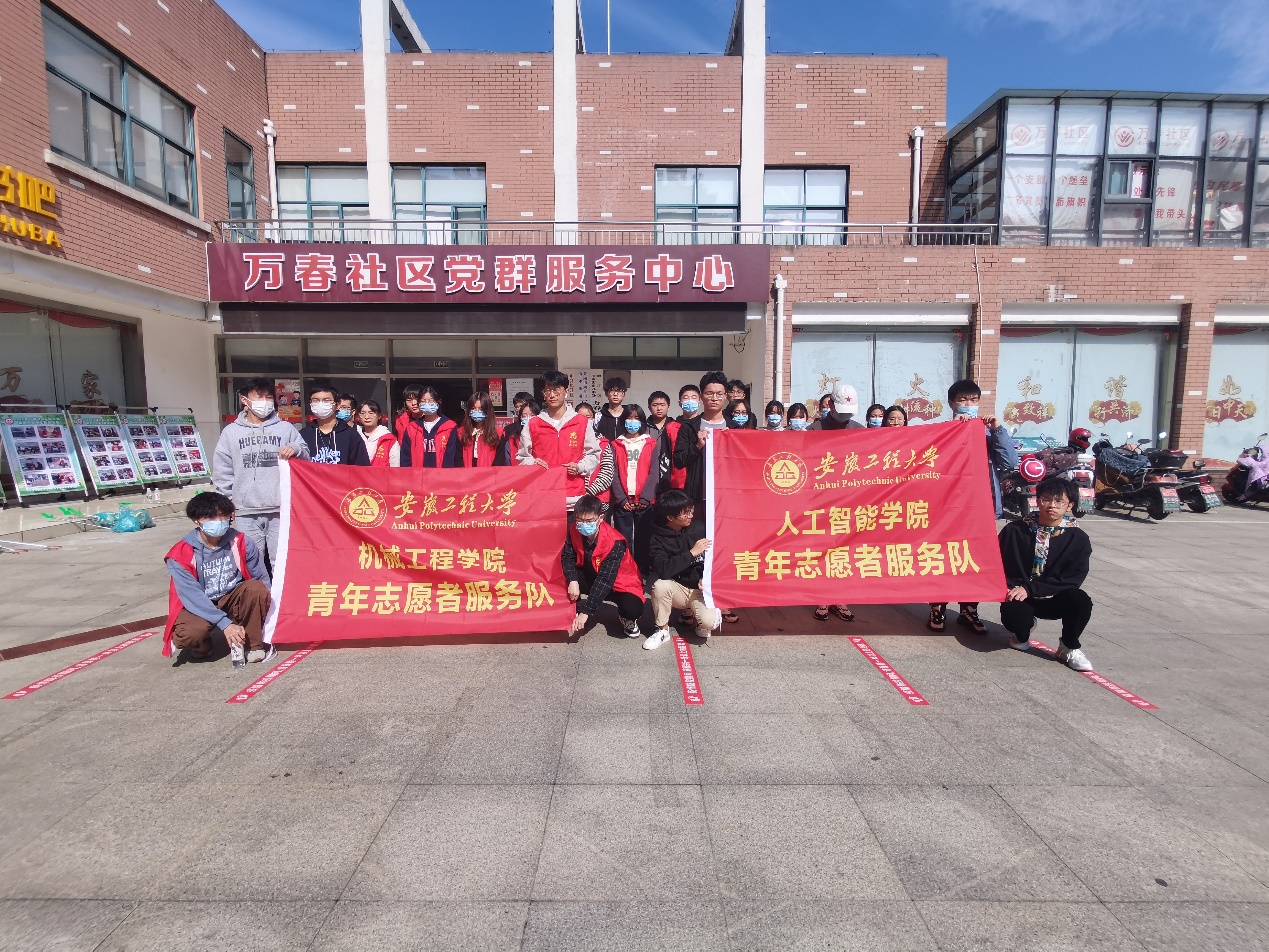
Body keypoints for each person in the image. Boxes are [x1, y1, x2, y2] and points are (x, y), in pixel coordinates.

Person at [929, 378, 1020, 633]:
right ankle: (937, 607)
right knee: (943, 557)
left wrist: (998, 430)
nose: (968, 404)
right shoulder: (943, 430)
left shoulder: (989, 432)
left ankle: (969, 609)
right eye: (963, 400)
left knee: (974, 559)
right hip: (949, 509)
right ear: (951, 404)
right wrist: (952, 431)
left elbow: (1009, 462)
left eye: (973, 400)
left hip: (981, 508)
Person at [163, 491, 273, 666]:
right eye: (210, 517)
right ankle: (202, 646)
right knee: (189, 634)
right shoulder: (180, 554)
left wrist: (268, 608)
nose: (219, 521)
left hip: (232, 598)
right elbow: (192, 596)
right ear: (196, 520)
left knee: (257, 588)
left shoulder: (242, 542)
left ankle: (255, 644)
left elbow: (260, 577)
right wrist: (224, 623)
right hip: (200, 603)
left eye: (223, 516)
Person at [998, 477, 1094, 671]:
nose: (1052, 505)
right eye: (1047, 499)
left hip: (1054, 597)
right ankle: (1022, 633)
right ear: (1037, 500)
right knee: (1014, 616)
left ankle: (1068, 646)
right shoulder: (1015, 530)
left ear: (1070, 505)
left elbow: (1073, 578)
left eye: (1059, 501)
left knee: (1080, 601)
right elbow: (996, 562)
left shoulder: (1078, 538)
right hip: (1021, 596)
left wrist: (1032, 588)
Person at [212, 376, 308, 566]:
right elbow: (222, 470)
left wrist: (295, 448)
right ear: (244, 400)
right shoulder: (231, 432)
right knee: (250, 562)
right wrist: (227, 503)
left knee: (282, 562)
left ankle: (278, 588)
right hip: (245, 511)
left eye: (268, 397)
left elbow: (306, 455)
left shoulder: (285, 428)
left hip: (280, 509)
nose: (264, 401)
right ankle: (257, 588)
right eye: (258, 396)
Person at [672, 371, 740, 623]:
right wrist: (697, 446)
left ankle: (723, 599)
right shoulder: (690, 427)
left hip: (726, 499)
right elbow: (679, 460)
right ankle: (691, 601)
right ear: (701, 397)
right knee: (697, 546)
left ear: (726, 396)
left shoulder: (735, 427)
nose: (714, 398)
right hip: (697, 497)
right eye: (709, 393)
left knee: (724, 547)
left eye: (719, 394)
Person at [643, 489, 724, 649]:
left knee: (710, 623)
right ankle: (662, 630)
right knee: (660, 586)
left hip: (702, 589)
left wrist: (707, 577)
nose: (690, 516)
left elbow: (719, 556)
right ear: (670, 517)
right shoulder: (657, 538)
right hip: (678, 587)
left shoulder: (700, 528)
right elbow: (663, 569)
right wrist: (692, 553)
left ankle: (701, 623)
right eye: (685, 513)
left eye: (690, 510)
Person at [518, 370, 602, 514]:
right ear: (543, 393)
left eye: (556, 389)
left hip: (574, 498)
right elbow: (522, 457)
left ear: (566, 391)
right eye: (547, 390)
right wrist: (533, 463)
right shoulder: (533, 424)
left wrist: (580, 467)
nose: (552, 395)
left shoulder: (581, 422)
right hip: (543, 497)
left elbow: (593, 454)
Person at [562, 495, 646, 638]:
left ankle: (626, 619)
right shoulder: (574, 530)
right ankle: (574, 607)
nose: (583, 525)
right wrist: (573, 580)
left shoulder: (615, 541)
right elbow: (567, 556)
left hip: (620, 582)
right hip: (592, 573)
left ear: (601, 518)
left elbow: (605, 579)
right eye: (580, 520)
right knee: (563, 576)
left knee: (632, 608)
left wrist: (586, 612)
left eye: (589, 521)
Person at [610, 405, 660, 545]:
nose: (632, 422)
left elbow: (654, 472)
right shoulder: (616, 444)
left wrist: (646, 498)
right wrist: (621, 499)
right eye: (629, 418)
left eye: (636, 418)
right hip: (623, 502)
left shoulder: (650, 443)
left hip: (644, 502)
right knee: (623, 542)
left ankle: (641, 562)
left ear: (642, 421)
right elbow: (613, 472)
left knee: (644, 542)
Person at [299, 385, 370, 466]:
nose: (320, 404)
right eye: (315, 400)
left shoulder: (350, 435)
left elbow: (362, 467)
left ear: (337, 405)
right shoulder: (303, 435)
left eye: (326, 400)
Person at [400, 386, 460, 468]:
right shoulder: (412, 428)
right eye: (423, 401)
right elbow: (406, 456)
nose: (427, 404)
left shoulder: (450, 427)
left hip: (442, 474)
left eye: (431, 401)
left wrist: (446, 474)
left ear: (439, 402)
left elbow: (451, 456)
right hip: (418, 474)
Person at [458, 391, 502, 468]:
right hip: (466, 473)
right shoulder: (460, 433)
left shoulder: (499, 433)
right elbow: (458, 459)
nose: (477, 411)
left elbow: (500, 460)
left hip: (489, 474)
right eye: (473, 408)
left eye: (481, 409)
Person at [496, 393, 537, 466]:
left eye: (521, 406)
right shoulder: (509, 431)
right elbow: (504, 458)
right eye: (516, 407)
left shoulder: (544, 430)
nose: (519, 409)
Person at [356, 399, 400, 466]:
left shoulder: (389, 439)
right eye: (363, 413)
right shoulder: (354, 436)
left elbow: (395, 465)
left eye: (371, 413)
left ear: (379, 416)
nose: (366, 417)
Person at [595, 377, 629, 441]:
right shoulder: (598, 416)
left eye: (619, 390)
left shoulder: (628, 415)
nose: (615, 394)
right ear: (606, 393)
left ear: (624, 394)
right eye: (612, 390)